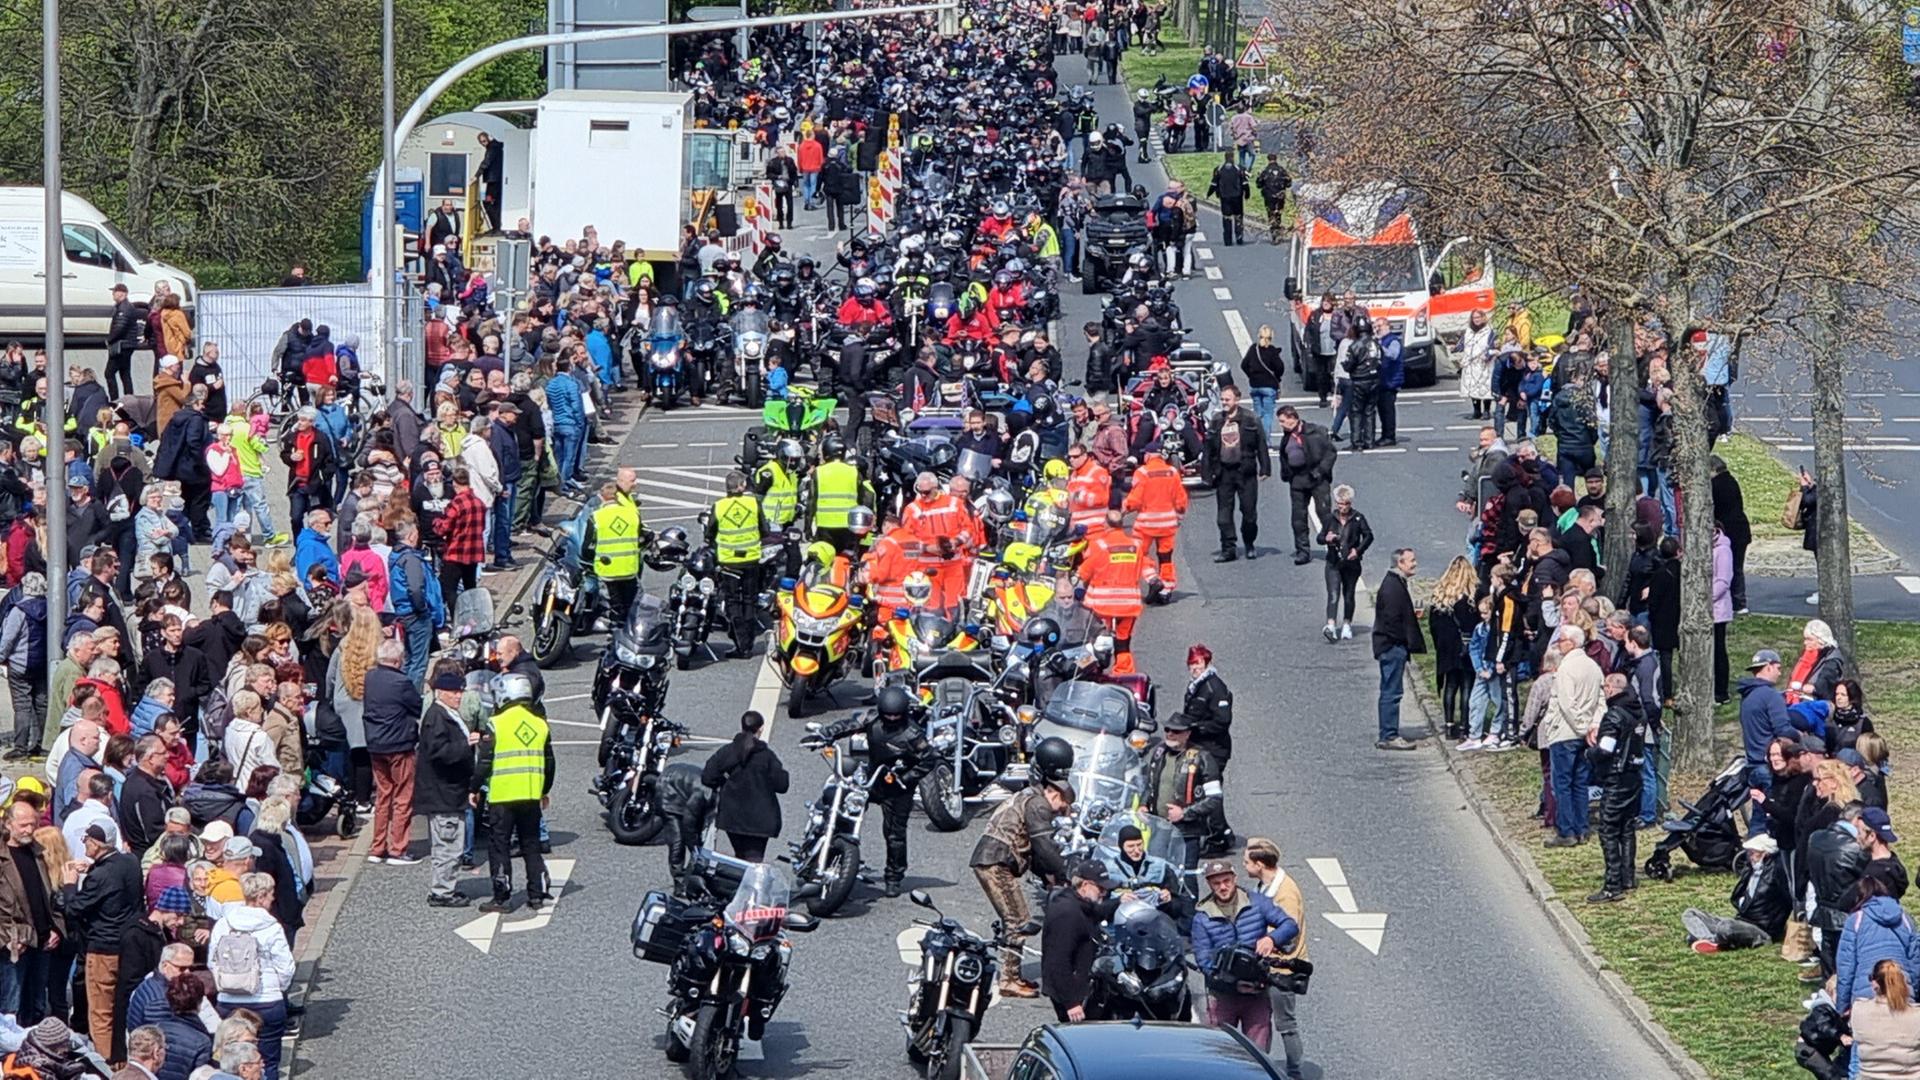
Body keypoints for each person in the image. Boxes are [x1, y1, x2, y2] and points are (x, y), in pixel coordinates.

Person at [809, 688, 931, 897]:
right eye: (888, 714)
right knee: (840, 806)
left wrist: (906, 778)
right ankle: (825, 850)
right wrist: (828, 733)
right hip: (872, 779)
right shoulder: (872, 718)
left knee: (895, 835)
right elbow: (849, 724)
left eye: (896, 715)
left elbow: (929, 759)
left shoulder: (913, 735)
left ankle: (893, 877)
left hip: (898, 788)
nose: (892, 718)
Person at [969, 776, 1076, 999]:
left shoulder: (1027, 796)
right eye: (1062, 807)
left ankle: (1013, 975)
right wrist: (1066, 873)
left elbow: (1033, 853)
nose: (1059, 813)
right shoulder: (1039, 804)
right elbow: (1043, 845)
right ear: (1056, 794)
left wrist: (1047, 877)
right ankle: (1009, 980)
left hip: (992, 857)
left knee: (1015, 918)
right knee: (1017, 920)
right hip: (996, 861)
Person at [1191, 858, 1299, 1053]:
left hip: (1256, 992)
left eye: (1226, 881)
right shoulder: (1202, 917)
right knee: (1221, 1053)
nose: (1223, 887)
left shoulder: (1257, 902)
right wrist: (1232, 983)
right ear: (1209, 885)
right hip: (1223, 996)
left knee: (1258, 1054)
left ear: (1234, 878)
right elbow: (1203, 961)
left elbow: (1290, 925)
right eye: (1216, 883)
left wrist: (1271, 939)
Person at [475, 673, 553, 914]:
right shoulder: (540, 724)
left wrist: (473, 787)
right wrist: (544, 791)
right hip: (530, 795)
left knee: (500, 846)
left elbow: (484, 762)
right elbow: (549, 763)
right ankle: (536, 894)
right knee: (531, 844)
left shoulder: (496, 723)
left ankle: (501, 896)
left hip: (502, 796)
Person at [62, 819, 141, 1055]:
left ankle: (107, 1065)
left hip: (103, 949)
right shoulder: (130, 862)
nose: (84, 844)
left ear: (96, 843)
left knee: (101, 1011)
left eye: (86, 840)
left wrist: (69, 886)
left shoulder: (100, 877)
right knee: (121, 1007)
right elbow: (114, 878)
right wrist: (93, 867)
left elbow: (73, 908)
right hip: (129, 946)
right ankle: (122, 1057)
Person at [207, 873, 295, 1079]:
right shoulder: (272, 927)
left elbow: (213, 961)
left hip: (229, 1001)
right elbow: (285, 966)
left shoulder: (224, 924)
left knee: (231, 1060)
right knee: (267, 1061)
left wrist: (225, 984)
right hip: (267, 1001)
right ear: (262, 896)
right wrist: (277, 987)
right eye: (271, 894)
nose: (273, 899)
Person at [1243, 838, 1308, 1079]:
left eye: (1247, 862)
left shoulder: (1285, 893)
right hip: (1267, 967)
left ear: (1260, 864)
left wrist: (1267, 941)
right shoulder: (1265, 887)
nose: (1244, 866)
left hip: (1283, 970)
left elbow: (1289, 935)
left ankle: (1294, 1073)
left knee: (1286, 1025)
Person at [417, 663, 477, 908]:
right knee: (448, 845)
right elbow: (439, 753)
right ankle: (442, 891)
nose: (458, 696)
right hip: (444, 792)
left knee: (450, 843)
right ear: (440, 692)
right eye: (453, 692)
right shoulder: (437, 717)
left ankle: (445, 888)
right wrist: (467, 745)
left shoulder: (444, 714)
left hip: (450, 791)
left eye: (460, 692)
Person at [1542, 627, 1606, 847]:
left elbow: (1567, 704)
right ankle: (1581, 828)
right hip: (1586, 733)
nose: (1558, 644)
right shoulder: (1594, 667)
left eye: (1561, 640)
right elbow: (1601, 701)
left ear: (1571, 643)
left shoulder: (1566, 669)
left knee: (1562, 784)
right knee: (1580, 783)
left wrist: (1581, 727)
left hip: (1566, 732)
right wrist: (1594, 726)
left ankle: (1566, 831)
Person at [1587, 673, 1648, 903]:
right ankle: (1628, 876)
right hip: (1634, 776)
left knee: (1609, 830)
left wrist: (1588, 753)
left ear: (1612, 689)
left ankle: (1612, 884)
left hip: (1616, 777)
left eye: (1605, 687)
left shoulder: (1614, 715)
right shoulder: (1638, 712)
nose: (1604, 690)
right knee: (1627, 828)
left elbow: (1605, 749)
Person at [0, 799, 61, 1026]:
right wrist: (9, 937)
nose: (29, 830)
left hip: (42, 940)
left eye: (33, 824)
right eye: (23, 825)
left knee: (37, 1006)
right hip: (14, 944)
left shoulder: (38, 853)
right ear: (8, 824)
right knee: (10, 1009)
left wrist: (56, 927)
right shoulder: (4, 857)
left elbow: (52, 896)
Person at [700, 712, 789, 863]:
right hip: (760, 820)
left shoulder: (726, 752)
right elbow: (782, 785)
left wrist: (725, 782)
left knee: (740, 857)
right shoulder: (767, 756)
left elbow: (707, 777)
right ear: (760, 729)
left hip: (732, 817)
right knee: (754, 860)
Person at [361, 639, 419, 866]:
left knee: (383, 796)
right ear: (397, 660)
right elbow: (416, 706)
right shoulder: (402, 682)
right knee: (403, 796)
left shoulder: (370, 677)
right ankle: (398, 849)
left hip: (375, 744)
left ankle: (377, 847)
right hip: (399, 744)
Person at [1683, 833, 1793, 952]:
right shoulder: (1750, 870)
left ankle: (1708, 939)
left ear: (1765, 854)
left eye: (1753, 852)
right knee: (1690, 914)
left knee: (1725, 927)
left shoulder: (1776, 874)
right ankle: (1709, 940)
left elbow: (1788, 902)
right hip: (1740, 921)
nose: (1749, 856)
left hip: (1761, 929)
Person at [1835, 874, 1920, 1018]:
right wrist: (1914, 993)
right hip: (1901, 988)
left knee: (1866, 1037)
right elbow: (1915, 962)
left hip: (1867, 992)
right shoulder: (1905, 919)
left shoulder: (1855, 920)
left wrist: (1842, 1006)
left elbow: (1846, 967)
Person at [1143, 714, 1224, 866]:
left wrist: (1184, 814)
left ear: (1187, 734)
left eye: (1176, 731)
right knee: (1156, 872)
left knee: (1185, 877)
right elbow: (1147, 783)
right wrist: (1144, 804)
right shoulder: (1159, 752)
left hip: (1186, 832)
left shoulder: (1203, 757)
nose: (1170, 734)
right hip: (1158, 827)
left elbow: (1215, 798)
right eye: (1167, 729)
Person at [1041, 862, 1113, 1022]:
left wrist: (1119, 902)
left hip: (1081, 985)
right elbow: (1057, 961)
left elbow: (1095, 912)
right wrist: (1071, 1003)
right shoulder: (1067, 914)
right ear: (1085, 885)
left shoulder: (1078, 902)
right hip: (1072, 993)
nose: (1104, 894)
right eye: (1101, 889)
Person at [1206, 385, 1268, 562]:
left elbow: (1261, 444)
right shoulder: (1217, 420)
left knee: (1249, 513)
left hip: (1245, 472)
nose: (1224, 402)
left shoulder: (1250, 419)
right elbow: (1209, 447)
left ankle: (1249, 543)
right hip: (1224, 473)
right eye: (1223, 399)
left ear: (1237, 400)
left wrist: (1265, 467)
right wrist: (1207, 473)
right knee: (1223, 516)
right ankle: (1228, 549)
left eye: (1228, 399)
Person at [1739, 649, 1798, 836]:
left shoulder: (1747, 697)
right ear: (1768, 667)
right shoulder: (1770, 696)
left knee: (1758, 814)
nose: (1780, 673)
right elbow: (1783, 729)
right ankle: (1763, 860)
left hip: (1752, 766)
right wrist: (1800, 736)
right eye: (1778, 668)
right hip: (1770, 767)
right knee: (1769, 816)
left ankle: (1754, 856)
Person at [1810, 804, 1872, 976]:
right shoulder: (1856, 848)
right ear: (1858, 820)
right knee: (1849, 967)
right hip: (1849, 914)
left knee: (1830, 966)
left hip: (1823, 911)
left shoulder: (1815, 839)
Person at [1371, 548, 1423, 750]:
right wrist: (1403, 641)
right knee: (1392, 691)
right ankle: (1389, 735)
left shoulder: (1395, 583)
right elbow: (1391, 621)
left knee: (1391, 689)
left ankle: (1389, 732)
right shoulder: (1392, 588)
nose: (1415, 564)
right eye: (1411, 560)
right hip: (1392, 647)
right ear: (1399, 563)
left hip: (1390, 645)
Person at [708, 471, 764, 658]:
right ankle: (748, 642)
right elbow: (764, 529)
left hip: (729, 561)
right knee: (749, 599)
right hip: (751, 560)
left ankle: (741, 643)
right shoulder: (753, 503)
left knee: (732, 601)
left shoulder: (719, 506)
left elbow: (710, 533)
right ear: (741, 487)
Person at [1274, 407, 1335, 565]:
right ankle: (1303, 550)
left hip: (1317, 478)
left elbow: (1330, 453)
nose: (1281, 425)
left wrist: (1320, 471)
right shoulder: (1287, 437)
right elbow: (1284, 456)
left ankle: (1333, 547)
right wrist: (1286, 474)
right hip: (1297, 480)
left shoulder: (1316, 432)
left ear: (1293, 418)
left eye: (1283, 421)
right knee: (1298, 518)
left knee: (1324, 512)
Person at [1319, 485, 1372, 643]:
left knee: (1348, 595)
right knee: (1333, 594)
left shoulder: (1358, 518)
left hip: (1351, 563)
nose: (1343, 507)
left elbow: (1368, 536)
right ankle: (1331, 625)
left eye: (1346, 504)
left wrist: (1358, 550)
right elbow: (1320, 537)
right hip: (1333, 562)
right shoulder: (1330, 518)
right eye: (1340, 504)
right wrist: (1326, 539)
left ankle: (1347, 624)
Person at [1183, 645, 1234, 774]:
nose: (1194, 668)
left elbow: (1223, 721)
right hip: (1196, 745)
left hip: (1214, 749)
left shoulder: (1215, 688)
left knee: (1210, 785)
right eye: (1191, 664)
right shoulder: (1195, 685)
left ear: (1207, 662)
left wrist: (1196, 727)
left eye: (1197, 663)